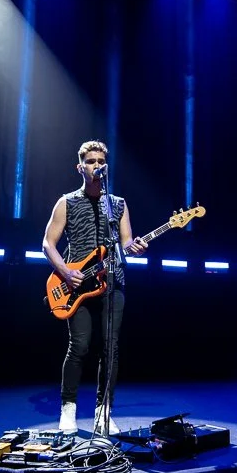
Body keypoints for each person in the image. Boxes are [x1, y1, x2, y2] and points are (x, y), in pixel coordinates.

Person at [42, 141, 148, 436]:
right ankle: (68, 408)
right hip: (76, 286)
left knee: (110, 350)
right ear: (81, 167)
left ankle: (104, 411)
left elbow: (125, 243)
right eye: (91, 161)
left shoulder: (118, 204)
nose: (97, 165)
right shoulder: (67, 202)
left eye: (101, 160)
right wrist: (65, 271)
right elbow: (48, 243)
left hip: (113, 282)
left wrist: (136, 246)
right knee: (80, 346)